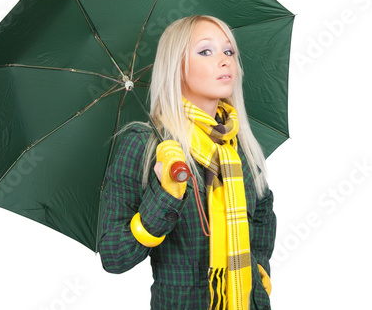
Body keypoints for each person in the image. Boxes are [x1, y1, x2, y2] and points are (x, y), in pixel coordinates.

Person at [99, 15, 276, 310]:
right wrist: (165, 196)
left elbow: (262, 215)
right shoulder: (145, 144)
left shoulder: (238, 143)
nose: (224, 61)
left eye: (229, 51)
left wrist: (258, 279)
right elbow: (114, 256)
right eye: (206, 51)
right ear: (177, 67)